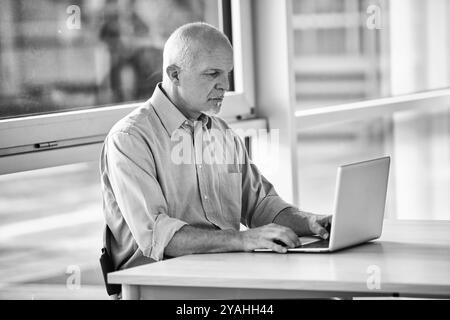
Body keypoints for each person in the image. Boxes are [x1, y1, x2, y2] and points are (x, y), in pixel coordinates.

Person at [100, 22, 332, 271]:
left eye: (227, 74)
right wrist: (241, 240)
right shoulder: (130, 139)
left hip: (222, 273)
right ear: (175, 74)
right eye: (213, 74)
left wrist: (311, 222)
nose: (225, 85)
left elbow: (262, 205)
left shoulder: (222, 133)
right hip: (160, 283)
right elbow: (158, 236)